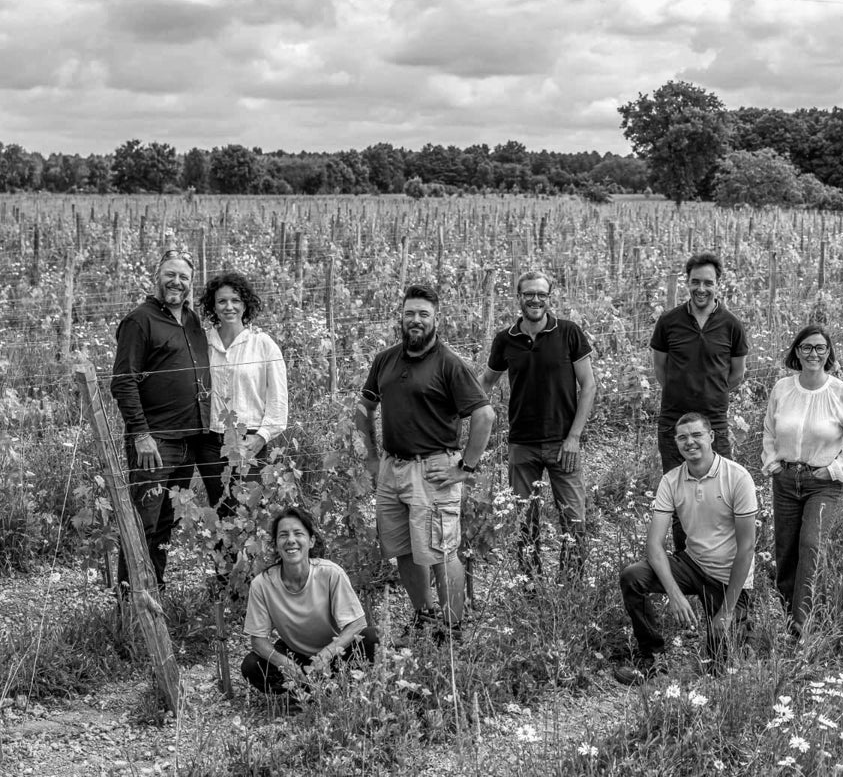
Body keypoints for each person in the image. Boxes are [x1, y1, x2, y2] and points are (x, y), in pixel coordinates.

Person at [355, 285, 495, 638]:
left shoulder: (449, 364)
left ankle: (452, 629)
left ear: (436, 319)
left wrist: (464, 467)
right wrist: (372, 457)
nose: (415, 320)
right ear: (400, 317)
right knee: (403, 549)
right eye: (409, 313)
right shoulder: (385, 359)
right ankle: (424, 615)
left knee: (442, 552)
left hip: (432, 470)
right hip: (392, 468)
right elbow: (364, 407)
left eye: (423, 314)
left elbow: (485, 416)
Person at [614, 413, 757, 685]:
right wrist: (675, 594)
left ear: (711, 437)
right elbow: (654, 545)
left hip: (727, 576)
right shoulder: (671, 480)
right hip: (692, 564)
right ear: (676, 443)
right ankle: (652, 660)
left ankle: (741, 631)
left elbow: (747, 548)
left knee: (721, 671)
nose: (689, 442)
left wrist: (726, 612)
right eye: (682, 437)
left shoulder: (737, 477)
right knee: (633, 576)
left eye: (696, 435)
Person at [111, 249, 223, 591]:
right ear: (156, 277)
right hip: (155, 441)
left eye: (184, 277)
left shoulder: (191, 320)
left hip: (189, 441)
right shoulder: (139, 321)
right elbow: (124, 382)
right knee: (143, 523)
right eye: (170, 275)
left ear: (191, 283)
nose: (176, 282)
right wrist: (141, 435)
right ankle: (131, 601)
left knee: (164, 523)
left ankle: (154, 590)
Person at [480, 271, 597, 579]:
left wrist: (574, 437)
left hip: (563, 443)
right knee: (523, 522)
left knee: (574, 522)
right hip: (522, 444)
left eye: (541, 294)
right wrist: (458, 407)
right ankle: (530, 588)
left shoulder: (569, 333)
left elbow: (588, 386)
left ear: (549, 298)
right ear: (519, 298)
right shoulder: (505, 339)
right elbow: (486, 381)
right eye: (529, 294)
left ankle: (571, 588)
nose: (535, 300)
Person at [761, 325, 843, 637]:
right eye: (806, 347)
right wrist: (773, 464)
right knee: (786, 551)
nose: (813, 353)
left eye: (820, 347)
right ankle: (789, 618)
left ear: (829, 352)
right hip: (785, 479)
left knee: (810, 545)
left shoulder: (842, 393)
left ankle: (803, 628)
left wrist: (833, 470)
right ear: (796, 351)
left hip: (823, 483)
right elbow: (769, 431)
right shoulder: (782, 389)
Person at [650, 253, 748, 552]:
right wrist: (682, 392)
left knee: (721, 492)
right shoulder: (669, 322)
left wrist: (710, 393)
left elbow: (737, 373)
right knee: (679, 495)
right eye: (695, 282)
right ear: (687, 282)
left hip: (714, 420)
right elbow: (660, 369)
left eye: (708, 282)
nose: (701, 289)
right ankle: (685, 561)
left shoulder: (731, 325)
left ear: (718, 284)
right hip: (674, 421)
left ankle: (718, 562)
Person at [198, 271, 288, 588]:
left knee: (251, 513)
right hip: (211, 442)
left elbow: (278, 402)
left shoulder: (262, 345)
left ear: (245, 304)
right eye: (221, 301)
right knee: (221, 512)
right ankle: (227, 585)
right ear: (212, 305)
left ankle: (258, 585)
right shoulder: (203, 344)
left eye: (235, 300)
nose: (229, 307)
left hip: (251, 440)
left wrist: (261, 438)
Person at [242, 507, 377, 696]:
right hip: (297, 659)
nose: (291, 540)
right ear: (276, 545)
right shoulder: (262, 584)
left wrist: (326, 655)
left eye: (298, 534)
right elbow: (258, 641)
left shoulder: (330, 573)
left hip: (337, 654)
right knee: (252, 665)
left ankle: (338, 689)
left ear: (311, 541)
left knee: (372, 638)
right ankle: (302, 695)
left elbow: (358, 623)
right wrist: (286, 664)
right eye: (283, 535)